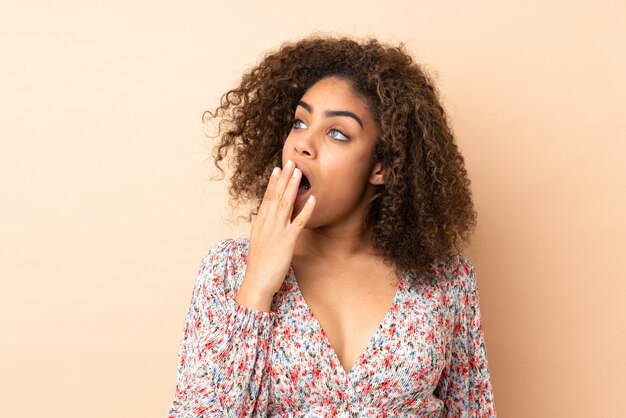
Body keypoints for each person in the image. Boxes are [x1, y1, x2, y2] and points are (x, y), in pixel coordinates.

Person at [167, 34, 497, 417]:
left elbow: (472, 410)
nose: (303, 144)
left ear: (382, 166)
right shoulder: (228, 270)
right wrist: (257, 287)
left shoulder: (446, 281)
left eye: (337, 133)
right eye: (299, 122)